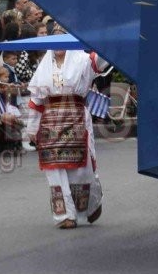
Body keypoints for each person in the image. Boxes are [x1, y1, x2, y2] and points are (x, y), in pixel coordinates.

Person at [25, 47, 102, 228]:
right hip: (50, 123)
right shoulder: (44, 67)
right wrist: (32, 127)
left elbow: (101, 61)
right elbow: (36, 99)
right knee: (54, 169)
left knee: (82, 168)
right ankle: (65, 215)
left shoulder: (83, 61)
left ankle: (87, 207)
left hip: (76, 119)